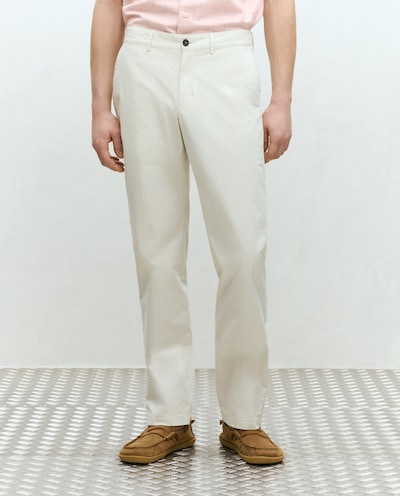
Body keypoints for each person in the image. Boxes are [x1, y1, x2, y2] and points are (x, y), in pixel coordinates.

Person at [90, 0, 296, 465]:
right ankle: (169, 417)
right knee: (156, 249)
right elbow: (107, 5)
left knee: (243, 249)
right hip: (144, 59)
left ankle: (243, 417)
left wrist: (282, 99)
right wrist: (100, 106)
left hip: (224, 58)